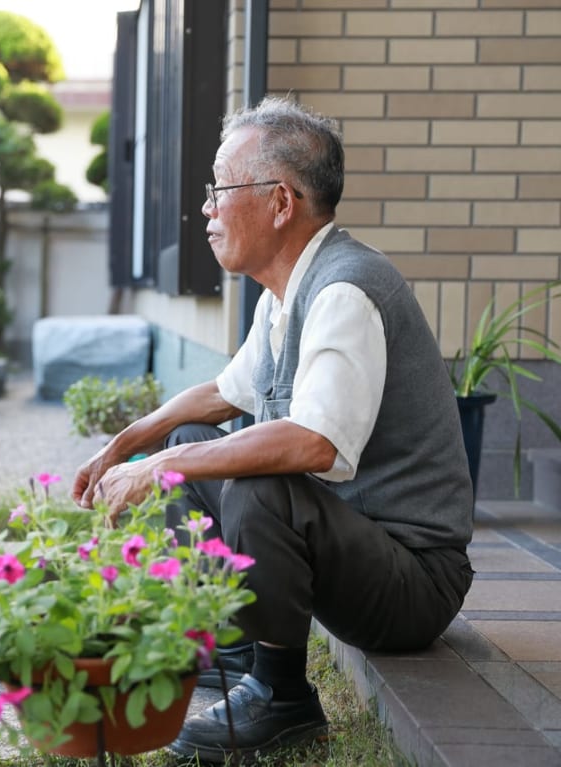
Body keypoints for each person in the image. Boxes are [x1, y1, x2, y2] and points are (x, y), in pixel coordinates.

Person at [71, 96, 474, 762]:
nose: (206, 208)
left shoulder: (346, 289)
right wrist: (131, 443)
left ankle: (283, 696)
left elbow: (313, 441)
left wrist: (162, 468)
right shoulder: (287, 290)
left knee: (257, 485)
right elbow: (225, 394)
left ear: (280, 202)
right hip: (360, 547)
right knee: (188, 451)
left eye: (219, 189)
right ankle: (234, 648)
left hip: (413, 582)